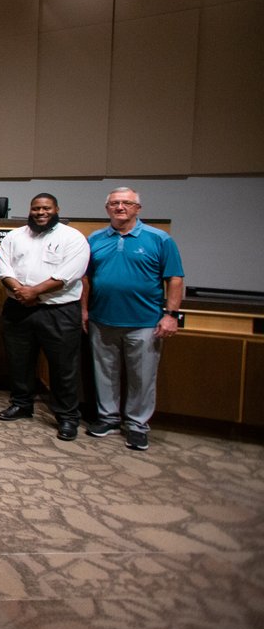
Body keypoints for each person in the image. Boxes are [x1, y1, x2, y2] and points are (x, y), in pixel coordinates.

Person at [82, 188, 184, 451]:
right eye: (114, 203)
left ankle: (137, 425)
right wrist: (84, 310)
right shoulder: (95, 239)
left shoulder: (159, 239)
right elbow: (86, 279)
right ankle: (108, 418)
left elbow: (174, 278)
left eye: (126, 203)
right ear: (107, 209)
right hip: (102, 319)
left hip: (144, 322)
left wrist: (171, 315)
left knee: (142, 377)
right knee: (105, 373)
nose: (120, 207)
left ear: (138, 208)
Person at [0, 193, 90, 441]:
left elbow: (70, 273)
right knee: (19, 361)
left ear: (56, 209)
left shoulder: (72, 238)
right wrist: (21, 292)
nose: (40, 212)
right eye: (36, 208)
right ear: (30, 209)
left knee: (63, 366)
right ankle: (22, 404)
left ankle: (67, 417)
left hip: (58, 311)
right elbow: (3, 267)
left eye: (46, 208)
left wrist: (34, 292)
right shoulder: (15, 236)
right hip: (18, 307)